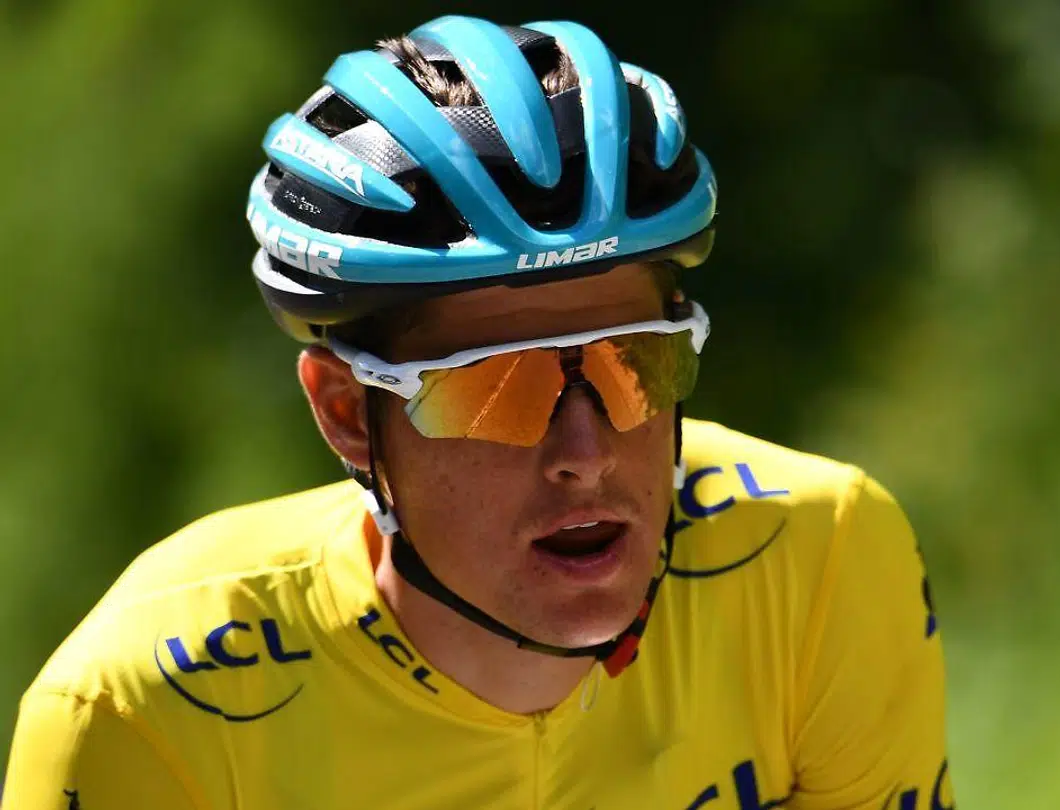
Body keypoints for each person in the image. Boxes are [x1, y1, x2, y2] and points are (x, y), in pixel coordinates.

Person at [2, 15, 952, 809]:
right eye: (498, 390)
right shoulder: (147, 713)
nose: (584, 453)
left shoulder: (818, 558)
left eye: (635, 368)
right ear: (345, 413)